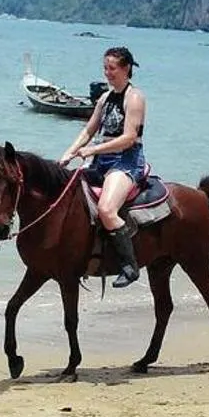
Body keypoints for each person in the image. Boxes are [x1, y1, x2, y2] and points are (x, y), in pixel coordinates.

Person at [58, 46, 147, 288]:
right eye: (105, 68)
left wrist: (92, 151)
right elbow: (89, 130)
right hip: (101, 161)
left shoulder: (134, 98)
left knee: (107, 210)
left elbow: (129, 138)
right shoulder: (105, 98)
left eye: (112, 68)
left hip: (125, 161)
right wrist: (69, 153)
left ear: (126, 69)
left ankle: (129, 266)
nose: (107, 73)